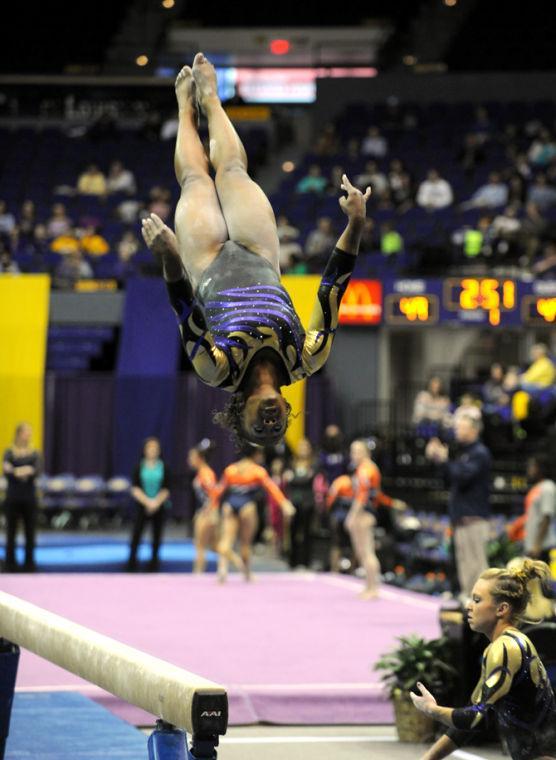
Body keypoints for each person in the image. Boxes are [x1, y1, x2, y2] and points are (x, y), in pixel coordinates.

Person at [141, 53, 369, 449]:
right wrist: (356, 224)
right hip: (259, 254)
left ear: (239, 412)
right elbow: (332, 290)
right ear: (286, 409)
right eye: (276, 430)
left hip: (206, 261)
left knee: (196, 180)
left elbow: (185, 310)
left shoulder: (217, 370)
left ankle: (183, 108)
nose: (269, 424)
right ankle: (211, 99)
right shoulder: (305, 359)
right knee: (232, 171)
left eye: (257, 429)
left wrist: (170, 256)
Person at [411, 559, 556, 760]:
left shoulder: (504, 649)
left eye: (477, 600)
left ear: (501, 609)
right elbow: (472, 719)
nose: (469, 606)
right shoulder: (504, 646)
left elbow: (476, 719)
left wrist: (433, 710)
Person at [426, 415, 491, 601]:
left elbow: (462, 477)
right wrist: (439, 461)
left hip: (474, 517)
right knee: (464, 563)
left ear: (474, 430)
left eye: (461, 427)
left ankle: (482, 603)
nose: (457, 431)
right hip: (461, 517)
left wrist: (446, 460)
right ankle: (468, 601)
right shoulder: (464, 453)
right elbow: (449, 480)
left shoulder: (480, 453)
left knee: (477, 564)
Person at [207, 447, 295, 582]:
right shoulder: (257, 471)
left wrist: (212, 508)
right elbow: (271, 487)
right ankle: (246, 572)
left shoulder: (231, 469)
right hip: (247, 505)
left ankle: (222, 570)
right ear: (257, 454)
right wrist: (284, 503)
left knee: (226, 540)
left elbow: (218, 491)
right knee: (245, 543)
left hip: (229, 505)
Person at [345, 439, 406, 600]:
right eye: (352, 451)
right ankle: (368, 585)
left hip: (364, 513)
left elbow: (363, 495)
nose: (354, 455)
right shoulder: (363, 469)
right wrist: (391, 502)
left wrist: (351, 516)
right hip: (364, 511)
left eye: (358, 451)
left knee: (367, 551)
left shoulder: (366, 469)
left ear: (367, 453)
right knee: (362, 552)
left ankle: (373, 588)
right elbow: (377, 495)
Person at [127, 437, 170, 572]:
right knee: (136, 535)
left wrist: (156, 502)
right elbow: (134, 488)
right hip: (142, 505)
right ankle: (132, 563)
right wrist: (147, 502)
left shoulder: (164, 467)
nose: (152, 450)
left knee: (157, 536)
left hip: (159, 505)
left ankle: (154, 565)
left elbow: (166, 488)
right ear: (145, 450)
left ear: (159, 450)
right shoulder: (139, 466)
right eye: (149, 448)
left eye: (155, 448)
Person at [2, 423, 41, 572]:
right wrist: (26, 470)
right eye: (26, 433)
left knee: (30, 532)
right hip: (13, 497)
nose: (28, 435)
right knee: (11, 532)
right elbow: (6, 471)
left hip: (29, 498)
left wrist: (16, 470)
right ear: (18, 434)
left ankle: (29, 564)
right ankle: (10, 564)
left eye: (30, 433)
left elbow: (36, 471)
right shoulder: (9, 452)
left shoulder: (34, 453)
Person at [283, 438, 317, 569]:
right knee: (293, 532)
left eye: (305, 447)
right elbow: (287, 479)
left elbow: (308, 479)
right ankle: (293, 561)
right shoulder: (291, 463)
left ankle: (306, 561)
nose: (303, 450)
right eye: (300, 447)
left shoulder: (314, 464)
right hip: (294, 502)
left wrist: (294, 479)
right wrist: (298, 479)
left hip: (308, 502)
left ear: (309, 449)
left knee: (307, 532)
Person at [188, 439, 217, 573]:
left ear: (200, 458)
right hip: (206, 511)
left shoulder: (206, 473)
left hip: (207, 513)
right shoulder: (203, 472)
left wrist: (207, 511)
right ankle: (241, 567)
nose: (189, 460)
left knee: (200, 546)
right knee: (215, 546)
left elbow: (214, 494)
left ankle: (197, 574)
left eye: (192, 457)